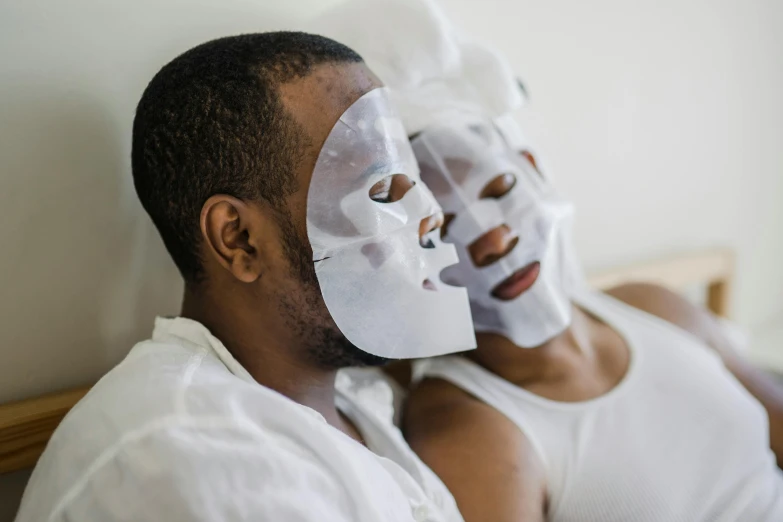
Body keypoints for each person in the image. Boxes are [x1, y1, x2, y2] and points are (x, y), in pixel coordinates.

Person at [314, 1, 783, 521]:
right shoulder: (471, 431)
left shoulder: (655, 306)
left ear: (534, 171)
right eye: (442, 227)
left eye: (498, 188)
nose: (493, 241)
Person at [14, 32, 477, 522]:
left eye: (415, 180)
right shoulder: (190, 452)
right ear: (239, 240)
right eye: (382, 190)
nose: (430, 216)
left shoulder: (347, 401)